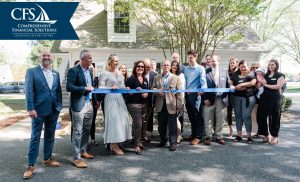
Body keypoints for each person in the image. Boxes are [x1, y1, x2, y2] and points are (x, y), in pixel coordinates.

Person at [23, 50, 62, 180]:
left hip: (53, 110)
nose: (46, 57)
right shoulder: (32, 71)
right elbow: (28, 91)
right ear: (40, 58)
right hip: (38, 110)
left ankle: (47, 159)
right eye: (43, 55)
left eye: (48, 56)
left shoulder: (56, 73)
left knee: (50, 136)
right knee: (35, 137)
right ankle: (30, 166)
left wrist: (59, 106)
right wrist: (30, 108)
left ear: (52, 58)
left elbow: (58, 92)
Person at [67, 49, 96, 168]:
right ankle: (76, 158)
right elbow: (69, 87)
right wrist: (84, 88)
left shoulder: (89, 71)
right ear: (82, 59)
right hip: (78, 105)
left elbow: (92, 86)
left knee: (87, 129)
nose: (91, 60)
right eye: (89, 58)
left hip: (89, 104)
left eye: (91, 58)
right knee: (77, 131)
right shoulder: (73, 70)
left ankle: (83, 151)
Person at [99, 54, 132, 155]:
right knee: (113, 121)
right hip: (110, 98)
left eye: (118, 61)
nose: (117, 63)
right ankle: (113, 145)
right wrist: (110, 88)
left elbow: (121, 86)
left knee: (122, 120)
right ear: (110, 62)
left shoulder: (119, 73)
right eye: (115, 61)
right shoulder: (104, 73)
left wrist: (125, 88)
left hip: (119, 98)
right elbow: (100, 87)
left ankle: (118, 142)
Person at [152, 60, 183, 151]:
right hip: (160, 104)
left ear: (170, 67)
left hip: (172, 105)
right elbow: (152, 88)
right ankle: (163, 141)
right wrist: (157, 91)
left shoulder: (176, 78)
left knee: (172, 125)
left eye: (167, 65)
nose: (166, 66)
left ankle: (173, 143)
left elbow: (179, 93)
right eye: (164, 65)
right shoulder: (156, 77)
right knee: (161, 125)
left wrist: (179, 106)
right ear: (161, 66)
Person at [181, 50, 207, 145]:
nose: (189, 59)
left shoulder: (200, 69)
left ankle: (198, 136)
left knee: (197, 116)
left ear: (196, 57)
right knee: (191, 116)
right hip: (187, 95)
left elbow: (203, 82)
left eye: (191, 57)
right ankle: (193, 134)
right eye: (188, 57)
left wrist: (202, 90)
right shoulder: (185, 69)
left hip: (196, 96)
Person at [202, 55, 230, 145]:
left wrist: (226, 96)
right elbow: (202, 86)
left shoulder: (224, 72)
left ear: (219, 61)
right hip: (208, 99)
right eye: (211, 61)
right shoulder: (205, 72)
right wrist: (205, 99)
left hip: (221, 99)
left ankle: (219, 136)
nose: (212, 63)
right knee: (207, 119)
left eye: (214, 61)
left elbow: (228, 85)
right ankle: (208, 137)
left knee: (220, 118)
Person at [256, 59, 285, 144]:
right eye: (269, 65)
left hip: (275, 98)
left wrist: (266, 85)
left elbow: (278, 86)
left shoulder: (280, 75)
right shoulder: (265, 75)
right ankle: (265, 135)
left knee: (274, 117)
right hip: (264, 98)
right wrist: (259, 80)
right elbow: (259, 85)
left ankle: (275, 136)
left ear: (276, 65)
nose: (271, 66)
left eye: (273, 65)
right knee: (261, 116)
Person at [230, 60, 256, 144]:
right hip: (236, 98)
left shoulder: (251, 74)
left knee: (246, 116)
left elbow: (253, 83)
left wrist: (241, 85)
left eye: (244, 66)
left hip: (248, 98)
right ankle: (239, 135)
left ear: (247, 66)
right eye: (241, 67)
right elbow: (231, 83)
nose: (243, 68)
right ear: (239, 67)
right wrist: (232, 86)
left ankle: (249, 136)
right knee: (238, 116)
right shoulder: (235, 74)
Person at [125, 61, 148, 155]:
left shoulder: (145, 79)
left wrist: (144, 94)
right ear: (135, 67)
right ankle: (137, 145)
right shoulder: (131, 79)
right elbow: (127, 92)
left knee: (140, 124)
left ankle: (137, 141)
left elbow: (147, 92)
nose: (140, 68)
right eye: (138, 66)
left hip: (143, 104)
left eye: (142, 67)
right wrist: (132, 91)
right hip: (133, 105)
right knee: (138, 123)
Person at [170, 60, 185, 143]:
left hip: (177, 101)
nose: (174, 66)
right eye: (173, 65)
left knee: (176, 119)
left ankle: (179, 135)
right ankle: (173, 135)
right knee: (172, 119)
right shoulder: (169, 75)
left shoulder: (180, 76)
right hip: (169, 101)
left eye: (176, 65)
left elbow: (181, 91)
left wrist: (180, 104)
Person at [144, 58, 158, 140]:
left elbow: (156, 87)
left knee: (148, 117)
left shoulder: (154, 74)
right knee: (140, 119)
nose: (147, 67)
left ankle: (147, 132)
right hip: (140, 101)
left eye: (149, 66)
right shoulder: (139, 73)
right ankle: (140, 134)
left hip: (150, 100)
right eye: (146, 66)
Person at [226, 57, 239, 137]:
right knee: (229, 113)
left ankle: (239, 131)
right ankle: (230, 130)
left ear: (237, 64)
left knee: (238, 113)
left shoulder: (239, 73)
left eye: (233, 62)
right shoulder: (226, 72)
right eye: (231, 62)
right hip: (228, 95)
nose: (232, 64)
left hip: (237, 95)